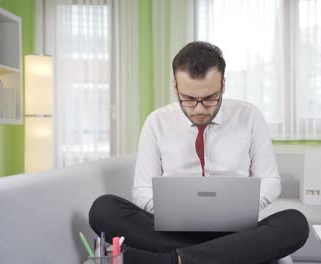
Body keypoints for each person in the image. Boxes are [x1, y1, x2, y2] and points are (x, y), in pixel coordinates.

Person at [89, 41, 308, 264]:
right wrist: (175, 212)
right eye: (190, 99)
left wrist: (237, 209)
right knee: (103, 209)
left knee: (295, 223)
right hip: (173, 231)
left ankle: (171, 260)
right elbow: (142, 189)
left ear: (223, 85)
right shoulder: (157, 122)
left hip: (235, 232)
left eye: (210, 98)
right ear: (175, 87)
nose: (200, 109)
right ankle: (225, 256)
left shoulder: (250, 116)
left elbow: (271, 180)